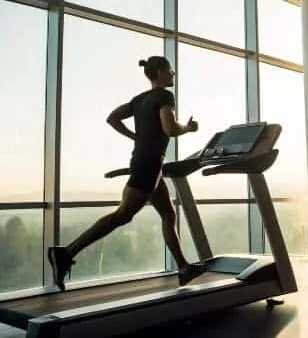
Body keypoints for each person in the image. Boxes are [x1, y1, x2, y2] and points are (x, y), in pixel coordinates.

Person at [47, 56, 206, 291]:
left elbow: (112, 118)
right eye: (170, 71)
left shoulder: (139, 99)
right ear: (160, 72)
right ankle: (66, 253)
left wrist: (136, 137)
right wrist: (189, 128)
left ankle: (184, 268)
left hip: (147, 163)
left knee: (168, 214)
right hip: (149, 165)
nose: (173, 75)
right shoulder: (164, 96)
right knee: (122, 215)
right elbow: (169, 128)